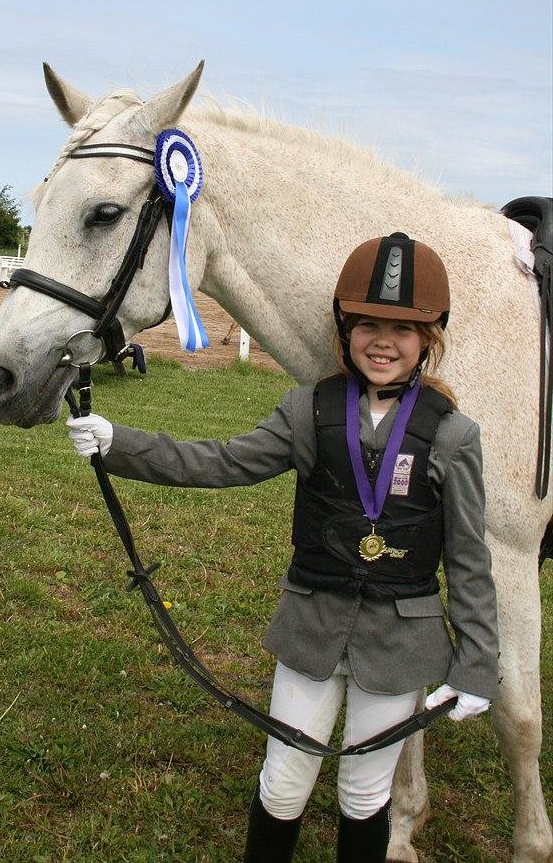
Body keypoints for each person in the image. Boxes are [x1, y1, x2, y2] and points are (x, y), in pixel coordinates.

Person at [66, 232, 499, 862]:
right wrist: (120, 443)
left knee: (365, 792)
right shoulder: (306, 410)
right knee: (284, 780)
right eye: (368, 324)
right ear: (344, 328)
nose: (383, 341)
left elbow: (468, 559)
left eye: (404, 329)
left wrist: (478, 662)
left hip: (401, 642)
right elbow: (222, 462)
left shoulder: (455, 435)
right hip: (311, 624)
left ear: (430, 339)